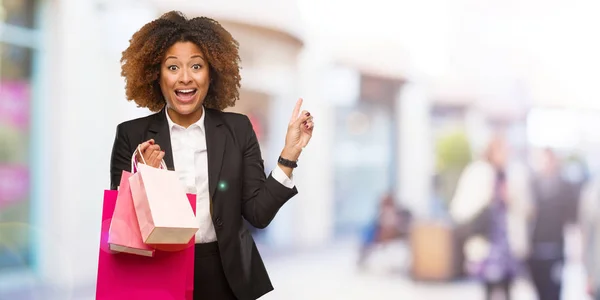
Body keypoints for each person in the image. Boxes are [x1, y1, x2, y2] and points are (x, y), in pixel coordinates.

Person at [109, 11, 314, 300]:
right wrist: (145, 178)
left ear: (211, 72)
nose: (185, 78)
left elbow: (258, 214)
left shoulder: (238, 129)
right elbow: (121, 224)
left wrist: (289, 154)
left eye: (196, 66)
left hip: (225, 276)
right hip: (158, 272)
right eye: (172, 67)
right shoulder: (132, 135)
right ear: (156, 74)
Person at [450, 135, 532, 300]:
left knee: (508, 288)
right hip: (486, 241)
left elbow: (528, 209)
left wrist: (511, 198)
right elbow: (460, 208)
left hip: (508, 242)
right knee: (488, 287)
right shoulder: (478, 172)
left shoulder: (514, 174)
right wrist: (488, 197)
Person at [528, 149, 579, 300]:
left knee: (554, 291)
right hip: (536, 249)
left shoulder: (565, 186)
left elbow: (573, 219)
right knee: (540, 291)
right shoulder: (532, 186)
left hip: (556, 247)